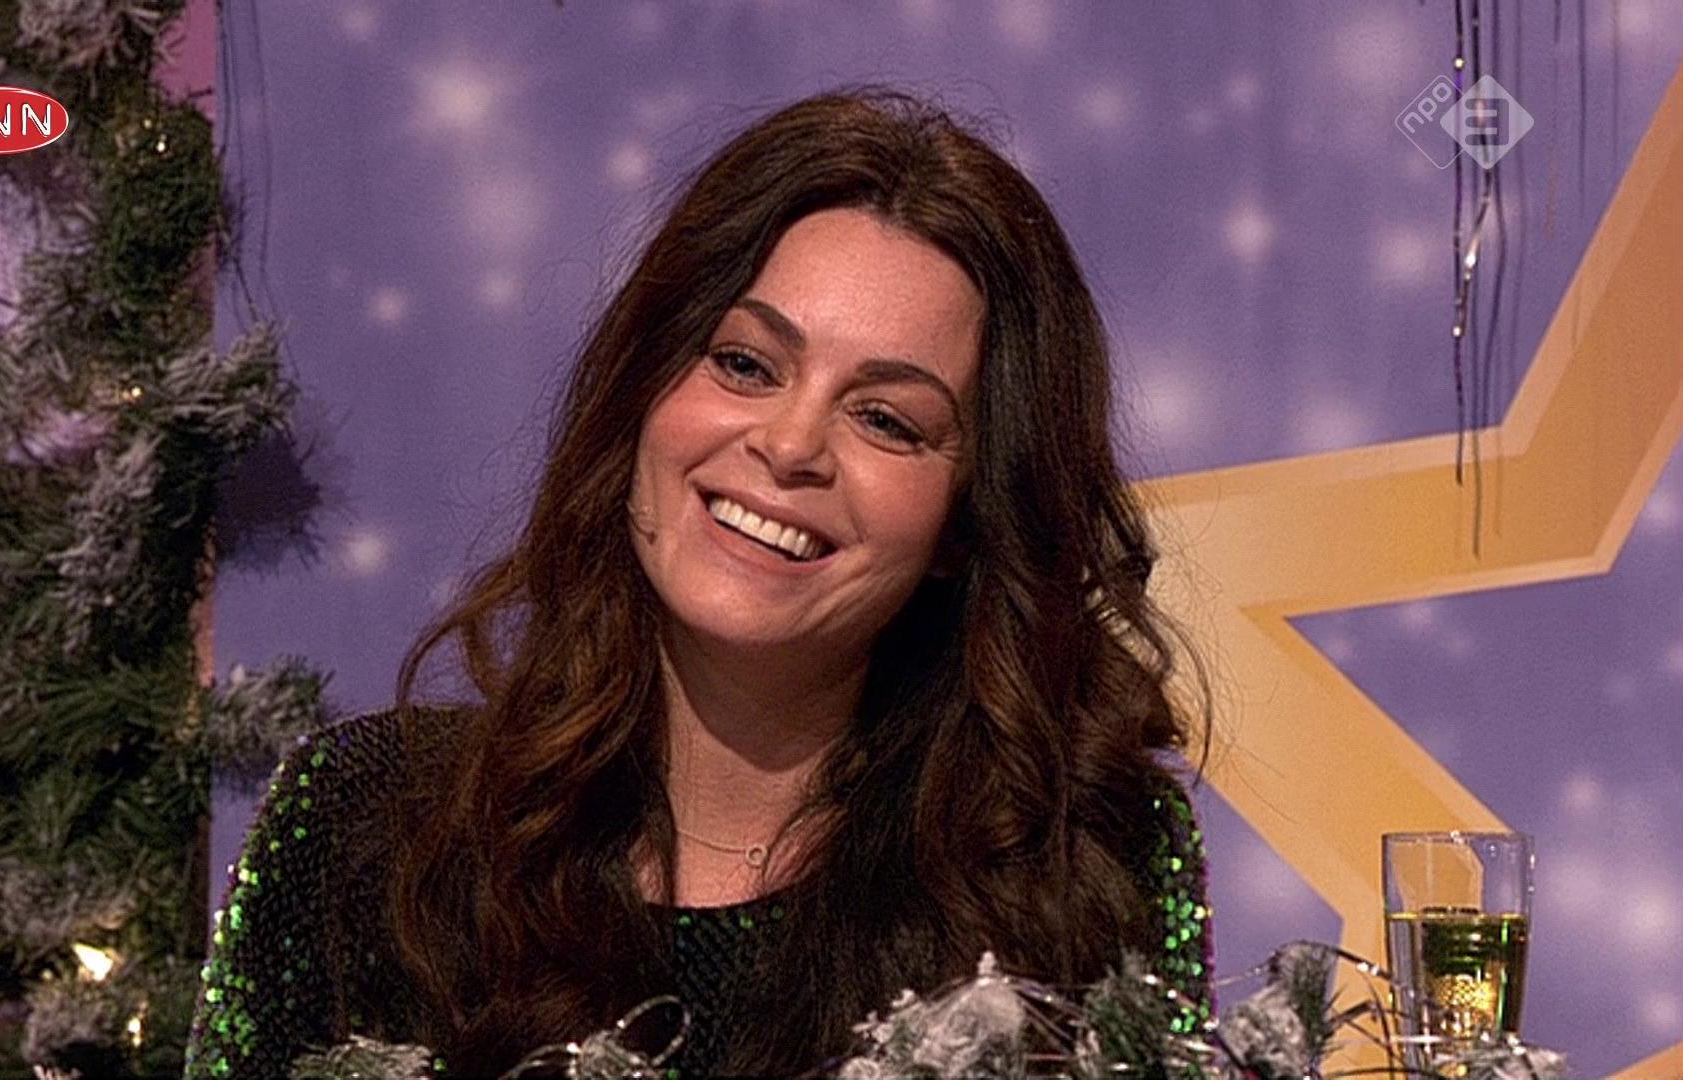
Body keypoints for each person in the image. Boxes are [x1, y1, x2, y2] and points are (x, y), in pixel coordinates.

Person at [185, 87, 1214, 1080]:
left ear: (967, 519)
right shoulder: (365, 826)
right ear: (645, 388)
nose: (791, 445)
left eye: (886, 420)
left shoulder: (1081, 872)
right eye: (746, 364)